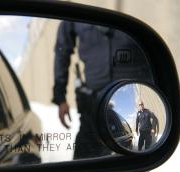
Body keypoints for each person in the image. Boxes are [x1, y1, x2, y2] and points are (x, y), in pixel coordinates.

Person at [52, 21, 138, 159]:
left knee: (126, 161)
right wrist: (60, 98)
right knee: (83, 162)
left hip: (125, 100)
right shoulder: (73, 13)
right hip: (93, 105)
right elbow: (62, 52)